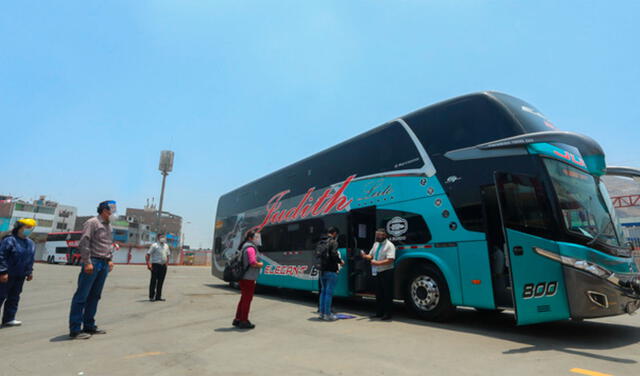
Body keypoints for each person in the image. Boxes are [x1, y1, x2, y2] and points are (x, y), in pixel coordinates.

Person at [68, 200, 117, 339]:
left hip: (104, 264)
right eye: (111, 210)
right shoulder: (92, 222)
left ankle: (89, 326)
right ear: (103, 210)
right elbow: (84, 242)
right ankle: (75, 329)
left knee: (95, 296)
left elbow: (108, 245)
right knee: (82, 296)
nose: (113, 213)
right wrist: (87, 262)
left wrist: (110, 260)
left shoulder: (109, 226)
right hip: (93, 262)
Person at [0, 219, 37, 327]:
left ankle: (9, 319)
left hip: (20, 275)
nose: (29, 230)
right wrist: (2, 272)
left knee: (14, 297)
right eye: (27, 227)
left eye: (31, 228)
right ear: (19, 228)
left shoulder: (30, 243)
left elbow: (30, 259)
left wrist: (29, 272)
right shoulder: (9, 240)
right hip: (7, 275)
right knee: (0, 296)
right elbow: (1, 256)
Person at [361, 228, 396, 320]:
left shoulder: (389, 245)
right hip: (377, 271)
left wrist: (378, 263)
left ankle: (387, 314)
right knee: (378, 293)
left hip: (387, 271)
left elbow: (391, 259)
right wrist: (365, 256)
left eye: (379, 235)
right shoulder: (376, 244)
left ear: (384, 235)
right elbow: (371, 255)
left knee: (387, 294)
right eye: (376, 234)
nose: (377, 236)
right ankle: (379, 313)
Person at [233, 230, 263, 329]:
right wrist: (261, 264)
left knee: (243, 299)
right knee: (247, 300)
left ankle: (238, 319)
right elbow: (253, 262)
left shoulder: (245, 246)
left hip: (244, 277)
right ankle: (244, 321)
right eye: (256, 237)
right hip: (248, 278)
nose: (258, 239)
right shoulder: (250, 248)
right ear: (250, 238)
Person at [318, 227, 343, 321]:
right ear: (335, 233)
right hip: (331, 270)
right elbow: (334, 254)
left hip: (322, 270)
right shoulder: (333, 242)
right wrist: (340, 261)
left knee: (323, 292)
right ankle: (327, 314)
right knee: (328, 293)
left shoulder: (321, 242)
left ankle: (321, 313)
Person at [146, 233, 170, 302]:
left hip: (163, 266)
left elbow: (168, 255)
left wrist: (166, 264)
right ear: (158, 238)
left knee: (161, 282)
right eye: (161, 237)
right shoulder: (154, 245)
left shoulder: (166, 246)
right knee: (153, 281)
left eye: (164, 237)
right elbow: (148, 255)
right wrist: (148, 264)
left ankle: (158, 296)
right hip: (155, 265)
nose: (163, 238)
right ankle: (151, 296)